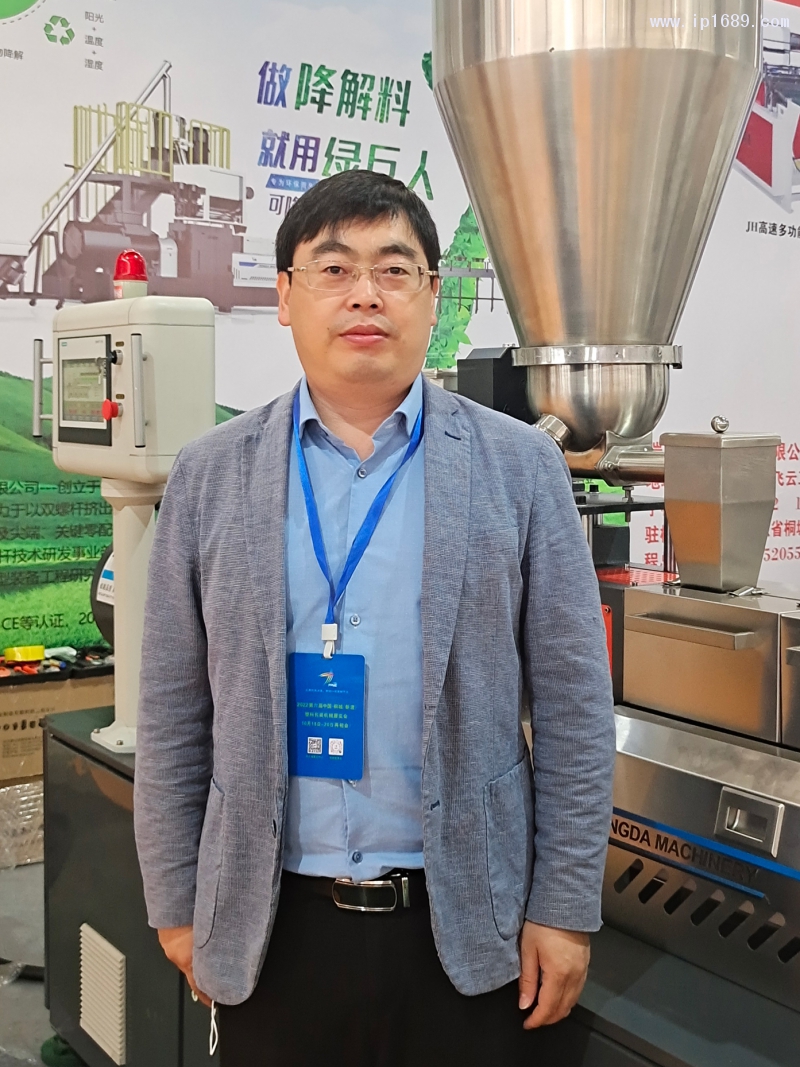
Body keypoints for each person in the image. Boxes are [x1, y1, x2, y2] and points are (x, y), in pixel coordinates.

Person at [133, 169, 616, 1067]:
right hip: (269, 922)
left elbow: (575, 707)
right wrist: (174, 903)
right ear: (285, 296)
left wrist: (564, 906)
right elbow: (170, 709)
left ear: (432, 297)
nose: (366, 293)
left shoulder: (519, 468)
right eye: (333, 268)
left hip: (468, 923)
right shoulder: (208, 474)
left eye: (395, 270)